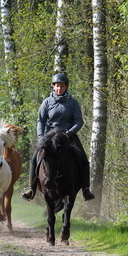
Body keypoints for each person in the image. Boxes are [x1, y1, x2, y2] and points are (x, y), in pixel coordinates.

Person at [21, 73, 96, 202]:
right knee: (35, 158)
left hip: (68, 136)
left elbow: (79, 121)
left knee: (83, 159)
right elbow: (41, 120)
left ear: (66, 87)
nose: (59, 89)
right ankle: (31, 188)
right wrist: (40, 136)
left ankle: (85, 189)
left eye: (62, 86)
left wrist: (69, 132)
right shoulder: (47, 102)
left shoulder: (73, 102)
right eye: (57, 86)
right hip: (49, 138)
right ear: (53, 87)